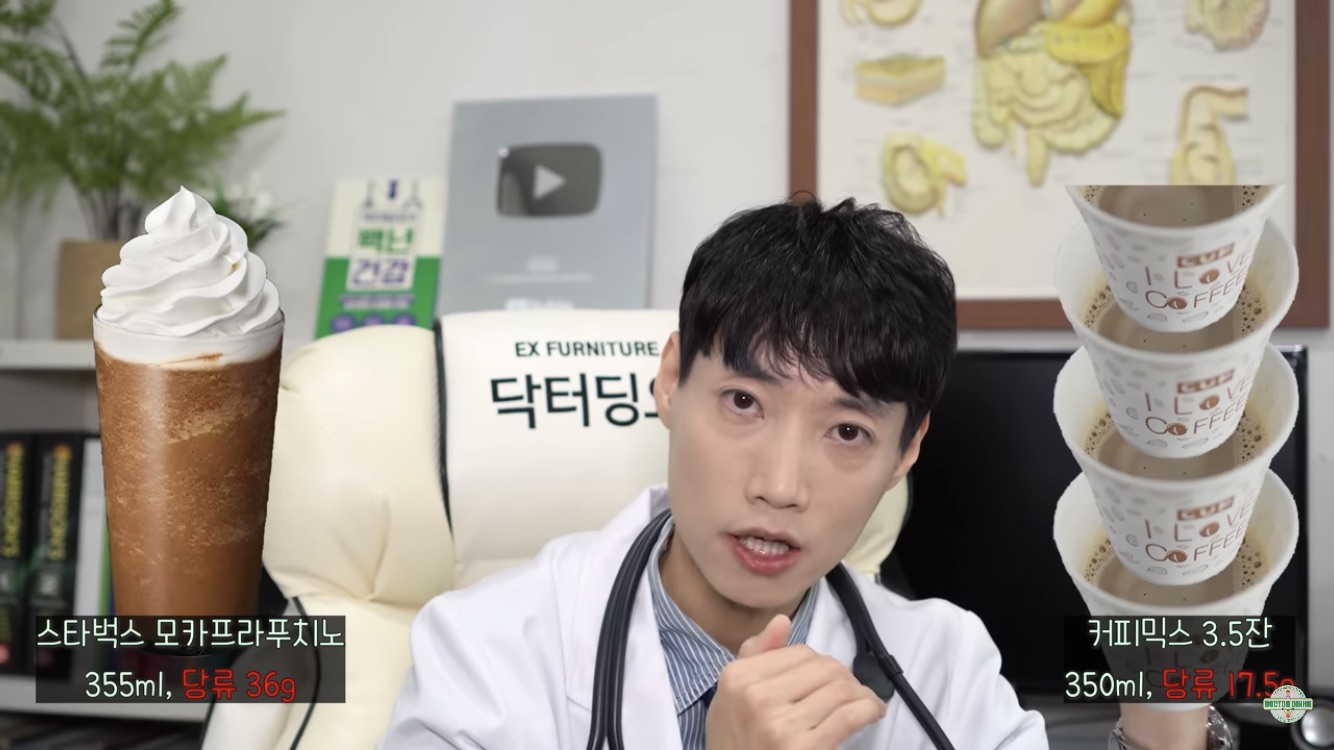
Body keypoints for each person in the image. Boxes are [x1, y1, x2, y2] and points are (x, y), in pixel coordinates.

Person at [380, 197, 1230, 749]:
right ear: (671, 380)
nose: (781, 487)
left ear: (907, 451)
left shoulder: (941, 666)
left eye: (848, 431)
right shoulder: (486, 653)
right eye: (744, 403)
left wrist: (1166, 720)